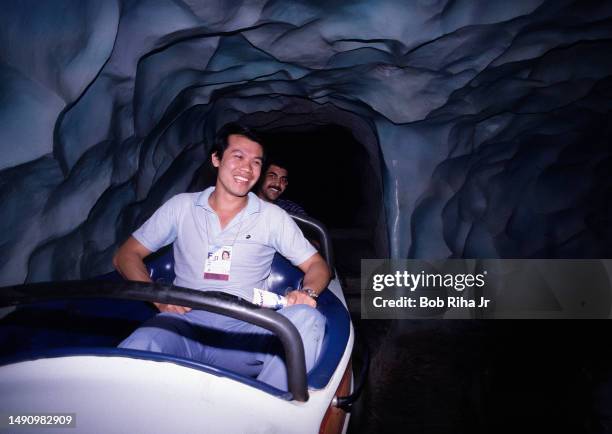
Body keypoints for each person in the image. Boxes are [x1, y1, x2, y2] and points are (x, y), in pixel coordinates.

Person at [113, 123, 330, 391]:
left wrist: (307, 292)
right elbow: (126, 254)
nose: (247, 169)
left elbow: (317, 265)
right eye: (238, 157)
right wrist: (155, 295)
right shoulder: (181, 207)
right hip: (185, 323)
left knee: (309, 320)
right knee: (141, 343)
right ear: (216, 159)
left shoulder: (273, 217)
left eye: (256, 162)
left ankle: (268, 416)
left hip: (249, 327)